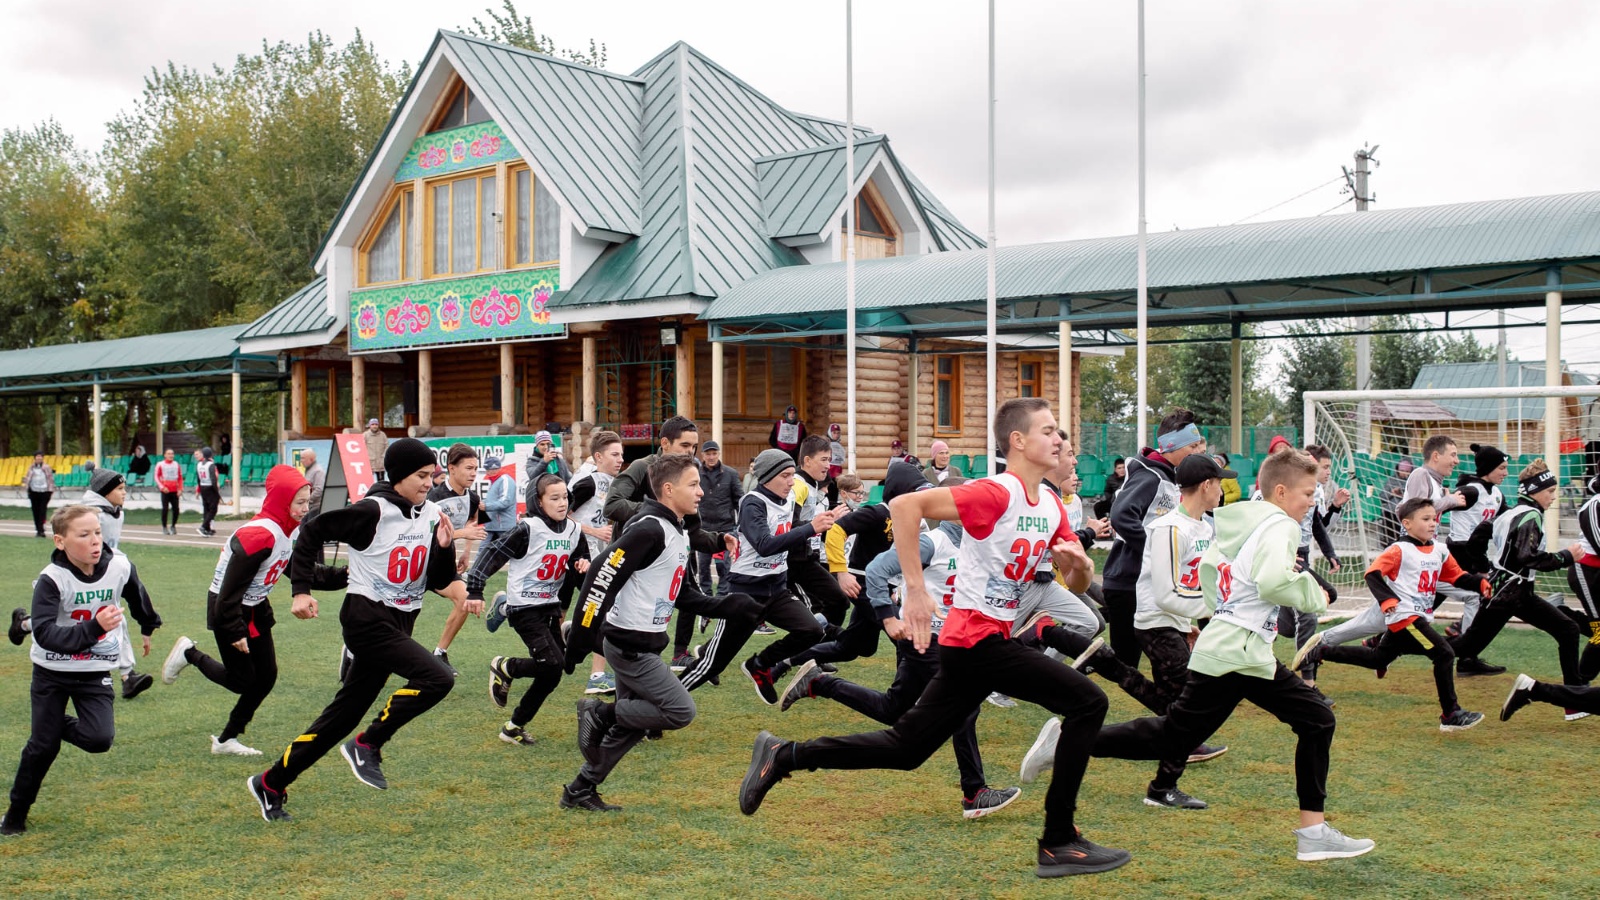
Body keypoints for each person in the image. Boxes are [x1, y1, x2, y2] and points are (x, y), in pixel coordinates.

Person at [738, 398, 1129, 879]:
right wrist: (916, 591)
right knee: (1088, 702)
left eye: (1059, 432)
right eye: (1048, 430)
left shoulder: (1049, 503)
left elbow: (1073, 581)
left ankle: (785, 754)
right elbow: (904, 506)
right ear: (1018, 442)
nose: (1060, 440)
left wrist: (1081, 568)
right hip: (977, 640)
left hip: (973, 647)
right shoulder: (995, 493)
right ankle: (1059, 841)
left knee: (906, 749)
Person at [1089, 447, 1375, 863]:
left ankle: (1070, 741)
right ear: (1280, 491)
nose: (1313, 501)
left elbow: (1211, 572)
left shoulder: (1241, 526)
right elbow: (1274, 581)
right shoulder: (1280, 526)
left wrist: (1221, 611)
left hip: (1234, 647)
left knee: (1182, 734)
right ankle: (1313, 834)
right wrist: (1314, 595)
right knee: (1310, 721)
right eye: (1309, 493)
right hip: (1236, 651)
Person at [247, 439, 476, 823]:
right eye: (421, 476)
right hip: (367, 619)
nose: (428, 481)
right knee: (438, 678)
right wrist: (301, 591)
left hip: (400, 621)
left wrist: (445, 553)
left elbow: (436, 579)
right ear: (400, 476)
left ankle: (271, 782)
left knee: (342, 715)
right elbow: (310, 534)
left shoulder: (433, 514)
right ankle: (368, 744)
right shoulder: (373, 510)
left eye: (430, 474)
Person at [778, 514, 1023, 819]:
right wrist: (888, 615)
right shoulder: (932, 542)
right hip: (923, 638)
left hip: (944, 641)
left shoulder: (974, 547)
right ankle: (974, 792)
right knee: (964, 705)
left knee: (892, 709)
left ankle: (818, 682)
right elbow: (878, 570)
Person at [1025, 454, 1237, 796]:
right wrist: (1210, 611)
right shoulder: (1170, 527)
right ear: (1206, 486)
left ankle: (1080, 727)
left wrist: (1188, 624)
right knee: (1188, 714)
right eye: (1220, 482)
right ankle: (1160, 785)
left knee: (1172, 711)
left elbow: (1188, 582)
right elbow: (1167, 591)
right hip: (1155, 622)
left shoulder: (1202, 526)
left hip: (1171, 622)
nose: (1224, 490)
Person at [562, 454, 746, 811]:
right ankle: (598, 713)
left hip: (644, 643)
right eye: (693, 485)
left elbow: (685, 594)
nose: (701, 493)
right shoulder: (648, 528)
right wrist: (582, 638)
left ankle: (580, 789)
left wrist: (731, 607)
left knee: (630, 725)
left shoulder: (676, 528)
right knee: (680, 711)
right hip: (629, 646)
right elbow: (601, 576)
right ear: (667, 489)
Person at [160, 466, 347, 755]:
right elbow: (227, 594)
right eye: (299, 502)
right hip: (229, 610)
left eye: (307, 502)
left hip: (255, 608)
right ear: (282, 500)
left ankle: (226, 740)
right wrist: (234, 628)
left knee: (267, 676)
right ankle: (190, 654)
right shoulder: (259, 536)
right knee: (242, 681)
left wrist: (350, 575)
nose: (305, 509)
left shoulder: (285, 530)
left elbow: (305, 573)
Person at [1, 506, 153, 837]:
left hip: (94, 669)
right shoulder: (51, 579)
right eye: (84, 535)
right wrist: (94, 628)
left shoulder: (119, 565)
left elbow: (136, 592)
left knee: (99, 739)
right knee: (43, 746)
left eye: (97, 532)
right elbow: (48, 635)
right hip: (51, 669)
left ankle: (51, 724)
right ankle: (15, 814)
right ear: (60, 541)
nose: (95, 541)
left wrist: (149, 623)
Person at [1298, 498, 1490, 732]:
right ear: (1407, 524)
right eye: (1426, 519)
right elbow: (1372, 573)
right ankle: (1451, 714)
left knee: (1378, 659)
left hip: (1418, 618)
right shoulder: (1399, 550)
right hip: (1405, 618)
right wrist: (1387, 599)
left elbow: (1456, 577)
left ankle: (1321, 651)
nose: (1432, 523)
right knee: (1444, 654)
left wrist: (1479, 583)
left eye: (1435, 519)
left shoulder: (1439, 550)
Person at [679, 448, 843, 699]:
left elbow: (787, 528)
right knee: (712, 665)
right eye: (786, 476)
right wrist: (811, 528)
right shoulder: (752, 502)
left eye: (792, 475)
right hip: (745, 594)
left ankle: (759, 665)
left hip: (776, 590)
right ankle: (661, 703)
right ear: (767, 476)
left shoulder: (786, 499)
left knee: (812, 630)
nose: (791, 481)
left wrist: (821, 521)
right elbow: (764, 545)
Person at [1448, 459, 1584, 714]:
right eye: (1550, 491)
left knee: (1568, 629)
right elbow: (1526, 557)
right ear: (1533, 491)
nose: (1554, 497)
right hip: (1509, 595)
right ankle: (1400, 646)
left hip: (1516, 593)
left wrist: (1484, 565)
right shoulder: (1530, 515)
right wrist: (1565, 557)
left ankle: (1574, 701)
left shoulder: (1510, 513)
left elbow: (1479, 535)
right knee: (1465, 647)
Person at [468, 473, 589, 747]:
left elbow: (582, 560)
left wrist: (582, 563)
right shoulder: (527, 529)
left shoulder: (573, 530)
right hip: (524, 607)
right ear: (539, 501)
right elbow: (492, 554)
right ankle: (506, 666)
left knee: (558, 671)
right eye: (554, 498)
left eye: (565, 497)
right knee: (551, 665)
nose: (561, 503)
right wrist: (475, 588)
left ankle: (513, 727)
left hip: (550, 606)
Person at [1103, 409, 1208, 666]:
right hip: (1128, 582)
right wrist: (1158, 550)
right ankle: (1082, 655)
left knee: (1166, 662)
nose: (1199, 451)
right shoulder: (1151, 477)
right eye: (1193, 445)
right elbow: (1121, 516)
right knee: (1125, 662)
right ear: (1172, 446)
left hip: (1148, 583)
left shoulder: (1170, 478)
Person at [547, 432, 624, 692]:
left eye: (622, 455)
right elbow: (558, 517)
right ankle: (595, 676)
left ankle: (561, 655)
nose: (620, 460)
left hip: (595, 556)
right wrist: (594, 532)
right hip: (578, 556)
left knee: (565, 609)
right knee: (598, 610)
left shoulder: (612, 483)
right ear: (598, 456)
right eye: (615, 454)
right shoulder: (587, 483)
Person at [83, 468, 159, 700]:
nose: (125, 493)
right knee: (65, 618)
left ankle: (128, 677)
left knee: (116, 617)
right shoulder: (89, 514)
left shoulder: (116, 513)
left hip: (106, 569)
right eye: (119, 489)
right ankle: (25, 624)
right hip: (83, 573)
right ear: (105, 491)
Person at [1438, 444, 1511, 674]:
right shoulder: (1471, 491)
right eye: (1501, 467)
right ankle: (1466, 653)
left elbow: (1509, 518)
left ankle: (1465, 650)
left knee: (1428, 604)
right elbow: (1436, 507)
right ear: (1488, 469)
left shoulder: (1496, 494)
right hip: (1459, 553)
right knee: (1481, 593)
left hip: (1474, 554)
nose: (1505, 473)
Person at [426, 443, 489, 676]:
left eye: (476, 468)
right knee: (395, 620)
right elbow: (427, 533)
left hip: (443, 566)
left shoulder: (472, 497)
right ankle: (353, 652)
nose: (473, 473)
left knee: (466, 601)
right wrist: (462, 534)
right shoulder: (433, 497)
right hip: (420, 565)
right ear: (451, 468)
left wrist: (465, 551)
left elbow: (474, 521)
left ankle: (439, 653)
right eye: (468, 468)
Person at [694, 440, 742, 600]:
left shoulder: (731, 474)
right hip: (703, 527)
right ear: (703, 455)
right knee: (703, 566)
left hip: (725, 526)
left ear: (718, 454)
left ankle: (722, 596)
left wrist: (739, 524)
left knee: (723, 566)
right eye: (708, 454)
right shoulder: (696, 474)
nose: (711, 457)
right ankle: (706, 595)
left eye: (714, 453)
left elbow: (739, 500)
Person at [1564, 476, 1600, 687]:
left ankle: (1559, 613)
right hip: (1586, 572)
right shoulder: (1593, 505)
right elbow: (1598, 543)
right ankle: (1577, 686)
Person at [481, 456, 518, 547]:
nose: (487, 472)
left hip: (503, 526)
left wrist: (486, 506)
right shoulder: (496, 481)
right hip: (492, 525)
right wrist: (482, 503)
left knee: (508, 553)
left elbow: (505, 501)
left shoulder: (505, 480)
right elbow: (493, 500)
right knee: (483, 551)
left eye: (488, 469)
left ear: (493, 469)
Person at [23, 453, 55, 539]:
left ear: (42, 458)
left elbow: (50, 479)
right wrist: (27, 488)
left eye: (40, 457)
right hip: (33, 491)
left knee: (42, 510)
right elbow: (28, 478)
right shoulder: (31, 467)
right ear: (34, 458)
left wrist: (50, 490)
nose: (39, 458)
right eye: (37, 457)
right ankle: (38, 529)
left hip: (44, 491)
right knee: (35, 511)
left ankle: (41, 529)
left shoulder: (46, 467)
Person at [156, 449, 183, 535]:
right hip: (165, 490)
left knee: (176, 509)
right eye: (169, 454)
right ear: (165, 455)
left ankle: (173, 525)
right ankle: (164, 527)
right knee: (165, 508)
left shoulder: (176, 464)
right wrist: (162, 487)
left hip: (174, 490)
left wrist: (180, 489)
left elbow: (180, 477)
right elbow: (156, 477)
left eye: (172, 453)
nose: (171, 455)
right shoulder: (160, 464)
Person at [195, 447, 221, 537]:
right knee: (213, 509)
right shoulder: (211, 465)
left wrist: (200, 488)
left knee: (206, 508)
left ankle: (207, 528)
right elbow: (213, 479)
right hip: (210, 487)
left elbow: (198, 478)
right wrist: (216, 492)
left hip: (203, 486)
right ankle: (203, 526)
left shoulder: (199, 465)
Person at [299, 449, 327, 518]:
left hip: (315, 509)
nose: (301, 460)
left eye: (303, 458)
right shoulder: (310, 470)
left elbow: (319, 490)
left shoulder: (318, 471)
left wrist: (306, 500)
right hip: (310, 508)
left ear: (311, 459)